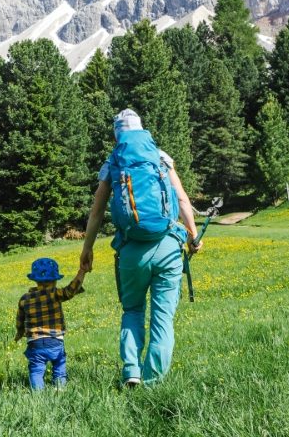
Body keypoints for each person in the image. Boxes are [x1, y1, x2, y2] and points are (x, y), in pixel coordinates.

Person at [78, 108, 200, 388]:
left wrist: (87, 248)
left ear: (117, 133)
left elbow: (96, 212)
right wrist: (193, 236)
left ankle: (132, 370)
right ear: (142, 129)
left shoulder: (114, 162)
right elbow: (182, 199)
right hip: (168, 246)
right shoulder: (161, 157)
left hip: (132, 250)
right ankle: (153, 381)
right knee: (162, 317)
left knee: (133, 310)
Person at [14, 257, 87, 390]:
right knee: (59, 365)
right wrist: (82, 271)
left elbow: (20, 319)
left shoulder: (25, 299)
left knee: (36, 370)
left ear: (35, 280)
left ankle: (37, 396)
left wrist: (19, 333)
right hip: (55, 341)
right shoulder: (55, 294)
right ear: (55, 280)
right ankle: (60, 389)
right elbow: (71, 289)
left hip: (35, 342)